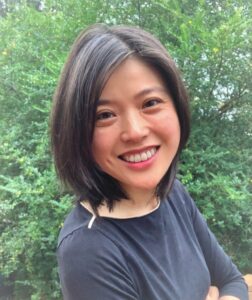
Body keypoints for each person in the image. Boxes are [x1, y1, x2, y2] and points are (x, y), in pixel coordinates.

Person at [51, 24, 248, 300]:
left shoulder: (172, 195)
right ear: (77, 131)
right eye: (104, 115)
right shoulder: (88, 250)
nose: (134, 131)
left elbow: (232, 281)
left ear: (177, 106)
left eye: (150, 102)